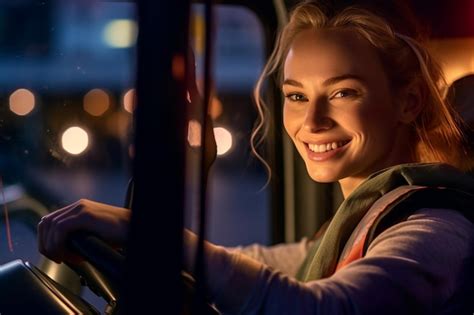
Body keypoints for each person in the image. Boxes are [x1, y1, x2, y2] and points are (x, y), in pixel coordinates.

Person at [38, 2, 474, 314]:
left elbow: (329, 307)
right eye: (296, 96)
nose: (313, 121)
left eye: (343, 92)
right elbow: (251, 265)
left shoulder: (435, 227)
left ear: (409, 102)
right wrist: (137, 239)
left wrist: (157, 236)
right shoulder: (350, 227)